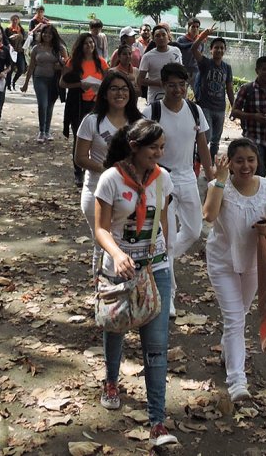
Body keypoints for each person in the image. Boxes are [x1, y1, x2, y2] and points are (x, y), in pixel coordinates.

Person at [94, 119, 178, 447]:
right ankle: (111, 380)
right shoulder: (111, 180)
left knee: (156, 346)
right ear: (134, 147)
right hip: (119, 270)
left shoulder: (163, 179)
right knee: (115, 328)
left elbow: (163, 222)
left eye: (162, 148)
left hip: (155, 270)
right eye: (153, 147)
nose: (158, 154)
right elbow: (101, 229)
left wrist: (166, 261)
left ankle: (157, 422)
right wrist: (116, 255)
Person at [202, 137, 266, 402]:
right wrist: (219, 180)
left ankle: (228, 349)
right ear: (229, 162)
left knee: (239, 313)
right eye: (239, 161)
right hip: (223, 262)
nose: (245, 166)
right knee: (235, 320)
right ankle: (237, 381)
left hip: (254, 263)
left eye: (250, 160)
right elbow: (209, 216)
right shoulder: (219, 186)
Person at [143, 63, 213, 317]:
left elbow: (202, 145)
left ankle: (163, 258)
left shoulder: (195, 110)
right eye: (172, 85)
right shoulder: (152, 111)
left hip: (188, 176)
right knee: (169, 236)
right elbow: (140, 146)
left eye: (182, 85)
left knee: (193, 231)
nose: (177, 89)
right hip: (160, 178)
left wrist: (211, 177)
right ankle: (168, 295)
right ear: (163, 85)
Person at [75, 72, 142, 275]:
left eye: (124, 89)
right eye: (114, 89)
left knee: (123, 243)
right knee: (102, 243)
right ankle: (101, 287)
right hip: (96, 190)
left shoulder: (139, 122)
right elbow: (80, 158)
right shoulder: (92, 121)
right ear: (104, 93)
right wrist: (110, 172)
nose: (119, 93)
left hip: (130, 192)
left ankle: (125, 286)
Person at [60, 33, 109, 185]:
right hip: (77, 104)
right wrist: (80, 84)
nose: (90, 46)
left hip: (96, 104)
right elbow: (62, 83)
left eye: (91, 43)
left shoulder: (101, 62)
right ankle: (78, 172)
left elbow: (108, 81)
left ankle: (93, 167)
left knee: (96, 137)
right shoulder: (73, 62)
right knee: (79, 137)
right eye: (86, 43)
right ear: (81, 46)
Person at [21, 25, 68, 143]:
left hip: (54, 80)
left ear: (54, 35)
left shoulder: (60, 48)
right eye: (45, 33)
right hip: (39, 78)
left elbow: (67, 64)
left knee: (50, 105)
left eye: (50, 33)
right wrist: (26, 83)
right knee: (43, 104)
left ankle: (47, 131)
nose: (47, 35)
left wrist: (60, 65)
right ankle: (41, 131)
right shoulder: (36, 48)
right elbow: (31, 66)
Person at [137, 26, 182, 104]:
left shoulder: (176, 51)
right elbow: (140, 80)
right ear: (153, 39)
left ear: (168, 36)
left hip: (174, 96)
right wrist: (159, 83)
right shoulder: (147, 57)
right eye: (157, 36)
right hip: (155, 98)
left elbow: (181, 72)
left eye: (163, 35)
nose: (161, 38)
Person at [175, 18, 202, 89]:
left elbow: (200, 56)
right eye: (193, 26)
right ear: (188, 27)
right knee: (181, 91)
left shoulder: (200, 42)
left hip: (195, 71)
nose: (195, 29)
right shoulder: (181, 40)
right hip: (183, 71)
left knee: (198, 91)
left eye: (197, 27)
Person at [4, 14, 27, 91]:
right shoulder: (7, 29)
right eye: (13, 20)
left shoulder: (21, 29)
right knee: (10, 69)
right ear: (11, 21)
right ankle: (8, 85)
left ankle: (13, 81)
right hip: (11, 51)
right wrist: (10, 42)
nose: (15, 21)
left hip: (19, 51)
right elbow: (5, 39)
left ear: (18, 20)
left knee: (21, 69)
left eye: (16, 19)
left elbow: (24, 40)